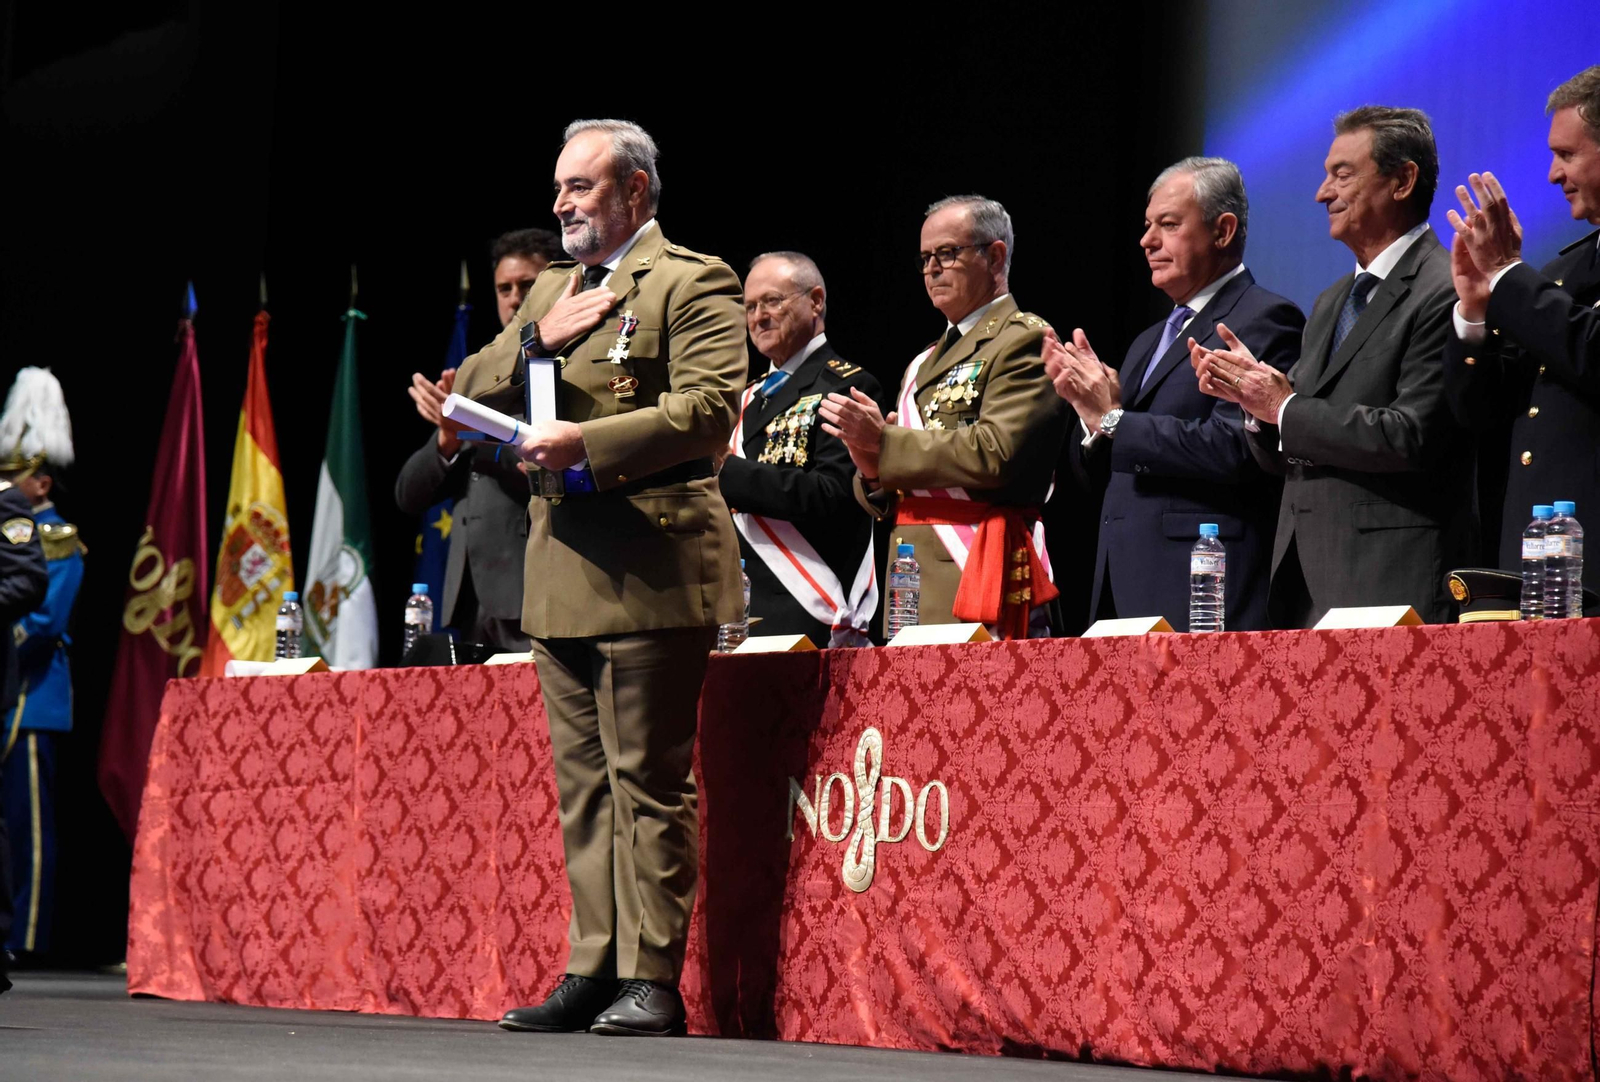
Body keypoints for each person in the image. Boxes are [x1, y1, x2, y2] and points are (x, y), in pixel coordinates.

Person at [452, 119, 744, 1037]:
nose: (563, 204)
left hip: (650, 557)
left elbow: (705, 412)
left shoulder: (693, 280)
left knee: (647, 781)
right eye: (559, 188)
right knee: (582, 788)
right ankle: (592, 966)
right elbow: (476, 382)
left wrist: (589, 441)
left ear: (636, 194)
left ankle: (652, 976)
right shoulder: (550, 287)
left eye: (582, 187)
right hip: (561, 563)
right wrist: (538, 332)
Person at [1191, 106, 1473, 626]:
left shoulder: (1447, 288)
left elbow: (1413, 434)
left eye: (1342, 174)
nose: (1323, 193)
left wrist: (1284, 407)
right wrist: (1255, 405)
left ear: (1403, 181)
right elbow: (1294, 438)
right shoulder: (1331, 301)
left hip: (1393, 576)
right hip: (1304, 580)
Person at [1048, 157, 1303, 631]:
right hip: (1120, 589)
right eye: (1147, 226)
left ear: (1223, 231)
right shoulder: (1148, 340)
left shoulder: (1264, 318)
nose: (1147, 241)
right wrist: (1091, 418)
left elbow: (1236, 449)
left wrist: (1116, 420)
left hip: (1203, 588)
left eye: (1168, 225)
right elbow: (1107, 469)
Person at [820, 195, 1069, 639]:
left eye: (948, 253)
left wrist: (885, 445)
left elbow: (998, 454)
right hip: (911, 574)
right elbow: (902, 484)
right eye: (925, 258)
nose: (932, 268)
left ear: (995, 256)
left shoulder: (1024, 340)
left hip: (977, 570)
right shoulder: (923, 361)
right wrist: (873, 474)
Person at [1443, 64, 1600, 599]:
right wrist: (1476, 312)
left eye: (1567, 154)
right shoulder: (1562, 275)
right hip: (1537, 566)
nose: (1554, 175)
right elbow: (1482, 414)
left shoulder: (1535, 285)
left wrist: (1509, 271)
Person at [394, 228, 561, 652]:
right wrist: (448, 439)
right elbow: (408, 496)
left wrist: (473, 431)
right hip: (468, 603)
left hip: (536, 593)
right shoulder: (482, 374)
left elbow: (547, 469)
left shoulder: (569, 368)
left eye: (527, 285)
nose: (513, 297)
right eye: (504, 288)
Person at [716, 251, 882, 647]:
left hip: (806, 604)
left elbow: (833, 494)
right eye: (750, 306)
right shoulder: (746, 397)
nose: (758, 317)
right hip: (736, 606)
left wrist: (726, 472)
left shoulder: (847, 387)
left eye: (772, 301)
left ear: (816, 301)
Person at [0, 369, 83, 964]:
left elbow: (46, 619)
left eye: (16, 476)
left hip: (36, 692)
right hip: (11, 683)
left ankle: (27, 937)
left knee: (28, 826)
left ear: (42, 480)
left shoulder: (56, 537)